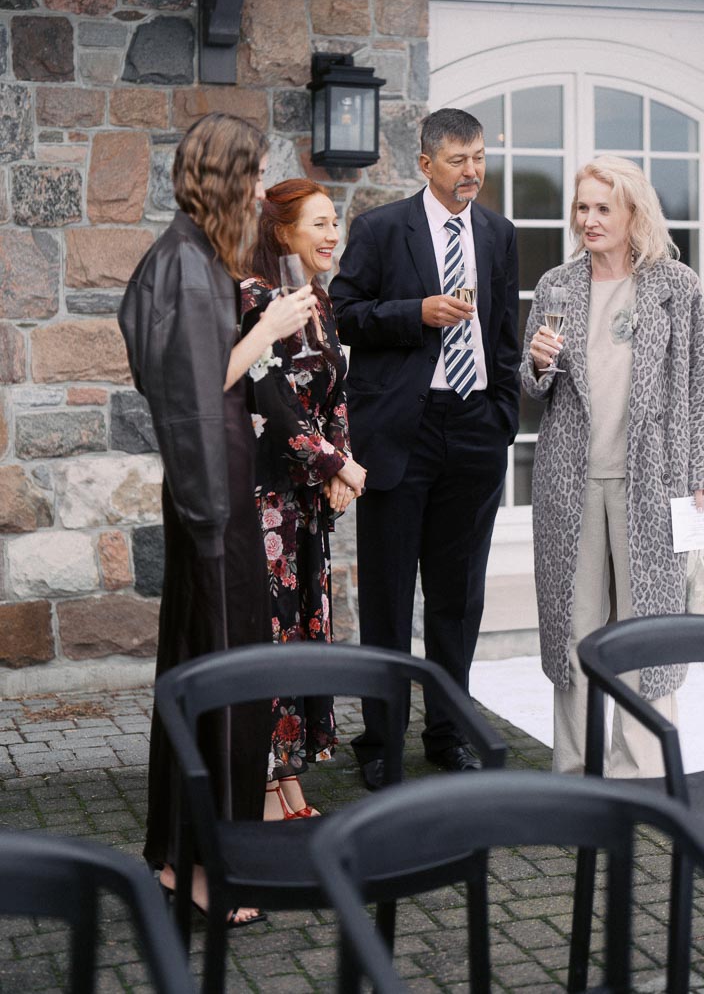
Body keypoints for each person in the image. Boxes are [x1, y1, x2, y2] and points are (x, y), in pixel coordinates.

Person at [118, 114, 315, 918]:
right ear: (228, 176)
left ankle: (177, 856)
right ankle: (208, 869)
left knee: (197, 673)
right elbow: (196, 392)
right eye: (258, 172)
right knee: (226, 682)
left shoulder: (190, 256)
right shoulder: (187, 265)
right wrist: (268, 327)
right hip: (214, 500)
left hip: (211, 493)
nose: (265, 188)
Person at [330, 108, 520, 790]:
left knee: (457, 598)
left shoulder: (498, 234)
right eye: (458, 159)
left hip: (474, 426)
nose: (472, 171)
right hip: (399, 431)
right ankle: (380, 743)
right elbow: (343, 314)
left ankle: (448, 733)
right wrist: (417, 313)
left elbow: (505, 332)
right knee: (387, 596)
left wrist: (501, 415)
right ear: (426, 164)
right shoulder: (381, 229)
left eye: (479, 158)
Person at [521, 154, 704, 777]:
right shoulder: (556, 285)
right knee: (573, 630)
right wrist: (538, 362)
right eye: (582, 207)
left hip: (654, 483)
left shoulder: (676, 286)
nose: (589, 219)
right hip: (570, 481)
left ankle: (641, 773)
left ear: (635, 213)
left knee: (646, 630)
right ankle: (577, 774)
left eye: (603, 208)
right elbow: (532, 384)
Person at [240, 179, 366, 821]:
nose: (331, 234)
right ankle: (262, 785)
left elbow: (337, 389)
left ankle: (287, 777)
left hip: (307, 499)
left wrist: (338, 464)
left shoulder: (319, 298)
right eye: (318, 223)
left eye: (334, 222)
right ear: (281, 231)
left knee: (299, 636)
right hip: (266, 497)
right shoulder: (255, 298)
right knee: (270, 635)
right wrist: (338, 464)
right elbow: (270, 399)